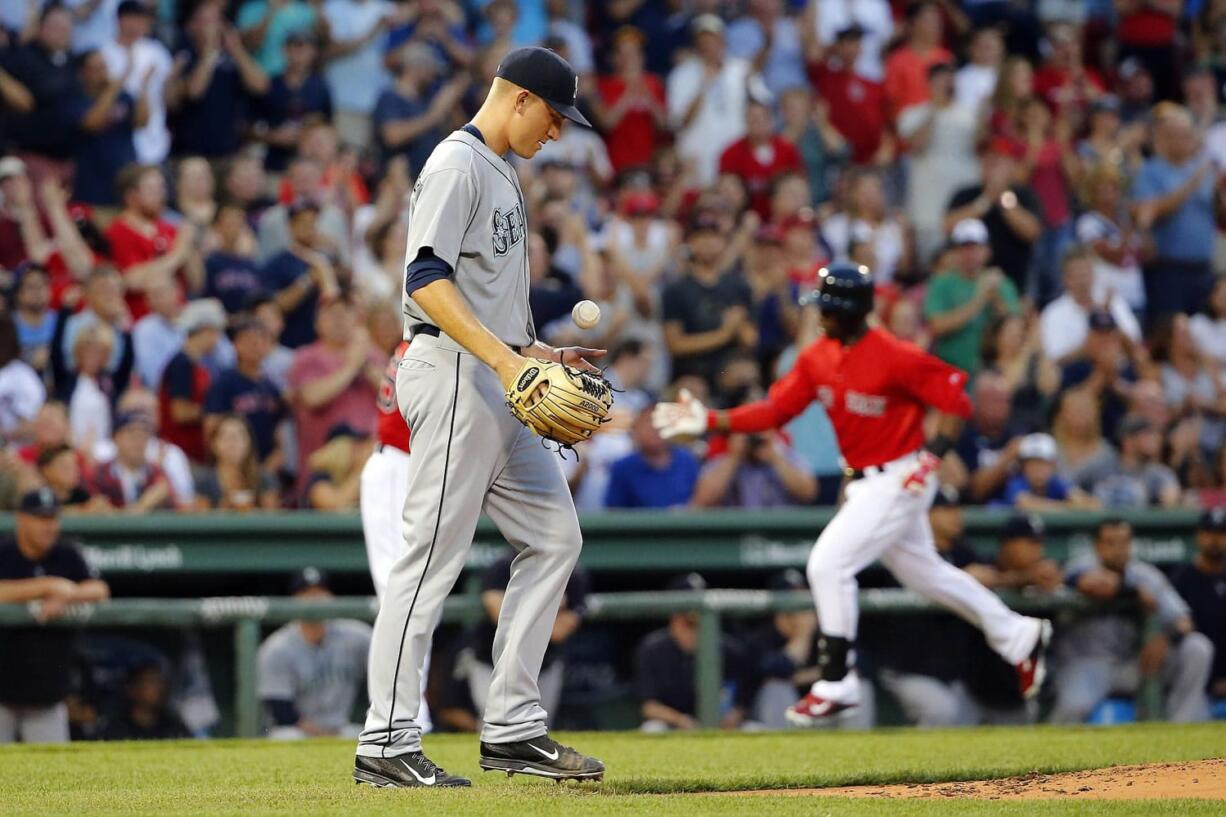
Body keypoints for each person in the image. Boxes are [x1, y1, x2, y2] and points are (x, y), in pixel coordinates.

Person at [354, 47, 605, 788]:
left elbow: (490, 302)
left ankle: (515, 727)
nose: (557, 132)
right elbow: (424, 279)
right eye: (555, 116)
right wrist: (503, 361)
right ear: (520, 99)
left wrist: (540, 354)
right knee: (429, 558)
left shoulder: (504, 169)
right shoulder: (458, 162)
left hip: (499, 371)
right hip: (457, 371)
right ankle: (387, 738)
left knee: (556, 537)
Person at [653, 263, 1050, 724]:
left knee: (828, 564)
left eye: (829, 308)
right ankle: (1018, 634)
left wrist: (932, 456)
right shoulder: (817, 356)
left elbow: (957, 401)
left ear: (854, 312)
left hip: (901, 475)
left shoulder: (894, 354)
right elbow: (776, 410)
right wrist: (712, 420)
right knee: (927, 576)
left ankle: (837, 679)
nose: (820, 315)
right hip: (864, 480)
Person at [1050, 519, 1214, 724]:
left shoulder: (1145, 574)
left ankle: (1182, 725)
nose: (1119, 550)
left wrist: (1165, 639)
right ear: (1097, 546)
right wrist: (1133, 591)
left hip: (1135, 664)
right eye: (1111, 543)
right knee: (1071, 708)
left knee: (1197, 647)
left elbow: (1185, 621)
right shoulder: (1082, 565)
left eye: (1124, 542)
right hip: (1088, 664)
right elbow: (1093, 585)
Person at [0, 488, 110, 744]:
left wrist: (68, 595)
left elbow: (100, 589)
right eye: (41, 519)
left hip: (46, 699)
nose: (49, 527)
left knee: (51, 778)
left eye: (53, 519)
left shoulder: (66, 554)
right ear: (22, 520)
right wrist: (47, 586)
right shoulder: (4, 552)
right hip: (1, 696)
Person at [464, 552, 589, 728]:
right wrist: (547, 611)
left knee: (538, 726)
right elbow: (499, 616)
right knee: (492, 722)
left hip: (542, 666)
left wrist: (521, 611)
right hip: (493, 662)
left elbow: (558, 632)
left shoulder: (572, 574)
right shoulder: (504, 565)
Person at [259, 568, 372, 739]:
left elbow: (386, 675)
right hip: (298, 731)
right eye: (306, 593)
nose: (315, 598)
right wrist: (322, 735)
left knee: (372, 736)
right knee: (286, 736)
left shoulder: (357, 636)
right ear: (293, 600)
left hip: (341, 729)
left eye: (320, 591)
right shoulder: (277, 647)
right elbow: (281, 711)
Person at [634, 573, 754, 732]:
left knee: (754, 729)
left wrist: (734, 715)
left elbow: (742, 699)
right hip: (674, 725)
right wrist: (682, 720)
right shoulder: (653, 648)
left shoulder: (727, 648)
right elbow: (649, 706)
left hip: (722, 725)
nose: (692, 613)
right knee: (652, 729)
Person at [923, 218, 1020, 375]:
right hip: (951, 368)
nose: (970, 254)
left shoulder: (1000, 282)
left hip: (992, 370)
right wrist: (979, 300)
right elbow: (936, 326)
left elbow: (1014, 326)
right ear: (954, 252)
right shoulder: (942, 283)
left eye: (976, 248)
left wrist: (996, 298)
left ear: (987, 250)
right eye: (964, 248)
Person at [665, 15, 750, 186]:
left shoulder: (741, 70)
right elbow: (679, 122)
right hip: (697, 162)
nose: (709, 45)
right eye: (703, 40)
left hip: (736, 163)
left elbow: (760, 108)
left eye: (713, 38)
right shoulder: (681, 75)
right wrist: (704, 85)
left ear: (723, 40)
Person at [1040, 245, 1142, 363]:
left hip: (1118, 369)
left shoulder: (1113, 301)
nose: (1083, 280)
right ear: (1065, 279)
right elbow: (1054, 359)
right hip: (1076, 375)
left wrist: (1108, 319)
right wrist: (1095, 328)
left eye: (1086, 272)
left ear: (1094, 274)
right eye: (1077, 275)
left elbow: (1136, 344)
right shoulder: (1053, 313)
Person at [158, 299, 226, 463]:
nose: (218, 340)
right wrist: (216, 414)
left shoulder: (197, 364)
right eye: (216, 333)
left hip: (194, 451)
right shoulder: (181, 364)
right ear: (204, 330)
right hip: (183, 452)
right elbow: (180, 412)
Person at [1171, 509, 1226, 700]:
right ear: (1198, 536)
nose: (1215, 540)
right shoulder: (1182, 578)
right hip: (1196, 685)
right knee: (1196, 645)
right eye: (1209, 532)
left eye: (1221, 533)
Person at [604, 405, 700, 510]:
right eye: (649, 422)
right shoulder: (622, 468)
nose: (655, 428)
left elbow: (701, 505)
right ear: (636, 430)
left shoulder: (687, 461)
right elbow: (614, 514)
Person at [690, 431, 818, 509]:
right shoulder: (724, 461)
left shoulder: (786, 456)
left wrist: (775, 457)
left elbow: (808, 493)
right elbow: (702, 501)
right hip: (734, 536)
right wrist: (734, 458)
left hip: (782, 536)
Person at [90, 411, 176, 511]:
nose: (138, 441)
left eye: (143, 435)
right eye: (132, 434)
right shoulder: (99, 474)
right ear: (115, 437)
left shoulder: (156, 473)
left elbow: (177, 509)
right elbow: (91, 508)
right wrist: (142, 505)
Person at [193, 414, 279, 511]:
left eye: (239, 435)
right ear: (213, 444)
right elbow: (201, 520)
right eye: (226, 436)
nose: (233, 442)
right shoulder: (204, 480)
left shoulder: (265, 478)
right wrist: (222, 510)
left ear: (249, 441)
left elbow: (273, 519)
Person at [1000, 432, 1096, 511]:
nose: (1038, 469)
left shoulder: (1055, 482)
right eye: (1032, 464)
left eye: (1043, 464)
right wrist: (1068, 508)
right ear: (1023, 466)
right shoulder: (1016, 482)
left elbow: (1088, 502)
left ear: (1053, 466)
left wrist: (1079, 502)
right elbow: (1025, 504)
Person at [99, 662, 190, 741]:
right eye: (151, 682)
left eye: (160, 681)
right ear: (132, 690)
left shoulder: (174, 725)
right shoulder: (115, 728)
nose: (159, 688)